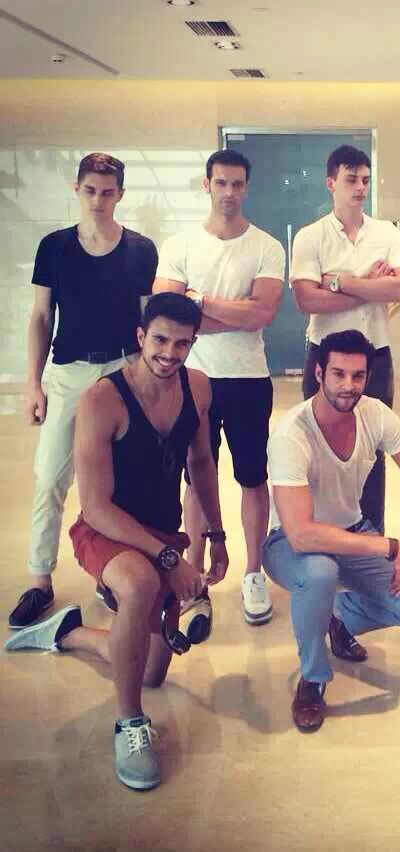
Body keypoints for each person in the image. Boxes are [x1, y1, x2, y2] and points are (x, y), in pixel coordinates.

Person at [5, 293, 229, 791]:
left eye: (182, 344)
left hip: (162, 530)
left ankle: (67, 633)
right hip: (106, 530)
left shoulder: (197, 387)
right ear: (140, 336)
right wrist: (169, 558)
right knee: (140, 583)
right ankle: (129, 723)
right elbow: (96, 506)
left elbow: (201, 463)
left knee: (149, 672)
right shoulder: (101, 400)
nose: (169, 353)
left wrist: (215, 534)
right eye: (160, 340)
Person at [262, 330, 400, 732]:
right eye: (339, 374)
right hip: (288, 544)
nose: (349, 385)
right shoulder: (291, 433)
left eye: (358, 376)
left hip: (351, 530)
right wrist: (390, 546)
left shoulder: (374, 413)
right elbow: (301, 534)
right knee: (320, 572)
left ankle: (335, 617)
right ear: (319, 373)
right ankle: (312, 679)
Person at [8, 153, 158, 629]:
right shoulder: (54, 247)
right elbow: (40, 317)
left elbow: (147, 321)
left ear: (120, 194)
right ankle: (39, 579)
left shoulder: (141, 250)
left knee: (122, 483)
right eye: (90, 190)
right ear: (76, 189)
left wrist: (149, 381)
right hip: (69, 370)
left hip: (123, 369)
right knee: (51, 474)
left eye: (108, 192)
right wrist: (33, 384)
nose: (98, 200)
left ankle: (111, 573)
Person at [154, 149, 284, 626]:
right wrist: (236, 312)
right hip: (193, 378)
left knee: (252, 477)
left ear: (246, 187)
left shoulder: (267, 246)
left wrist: (199, 302)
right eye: (221, 183)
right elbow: (167, 312)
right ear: (206, 184)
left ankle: (253, 574)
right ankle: (193, 577)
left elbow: (263, 313)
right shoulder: (180, 244)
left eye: (237, 184)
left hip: (249, 378)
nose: (229, 192)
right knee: (193, 475)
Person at [290, 144, 400, 533]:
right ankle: (322, 534)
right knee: (319, 446)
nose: (360, 187)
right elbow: (306, 299)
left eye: (365, 180)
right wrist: (370, 285)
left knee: (372, 450)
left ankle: (371, 535)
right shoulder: (310, 237)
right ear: (331, 183)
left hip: (375, 357)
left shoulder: (386, 233)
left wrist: (340, 281)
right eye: (351, 180)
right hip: (323, 357)